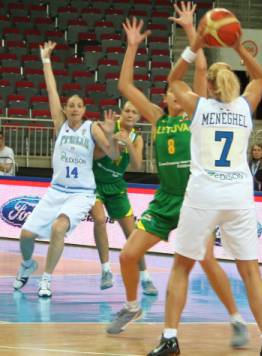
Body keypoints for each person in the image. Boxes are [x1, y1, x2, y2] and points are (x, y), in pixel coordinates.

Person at [107, 8, 249, 349]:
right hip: (167, 198)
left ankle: (236, 319)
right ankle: (131, 306)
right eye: (172, 90)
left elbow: (200, 67)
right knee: (127, 255)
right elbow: (124, 85)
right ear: (166, 98)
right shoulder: (157, 118)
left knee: (208, 261)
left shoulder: (197, 113)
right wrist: (131, 46)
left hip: (195, 200)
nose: (176, 91)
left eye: (179, 89)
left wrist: (190, 30)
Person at [147, 14, 262, 356]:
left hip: (204, 194)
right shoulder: (245, 106)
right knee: (251, 271)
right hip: (238, 195)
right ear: (233, 85)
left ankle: (169, 339)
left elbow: (173, 79)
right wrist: (238, 46)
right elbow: (260, 76)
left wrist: (194, 45)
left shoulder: (197, 107)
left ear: (208, 86)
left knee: (181, 266)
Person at [13, 41, 119, 298]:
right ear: (65, 109)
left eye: (78, 106)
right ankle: (28, 264)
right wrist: (46, 60)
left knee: (58, 228)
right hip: (56, 190)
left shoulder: (91, 127)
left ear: (84, 110)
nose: (73, 108)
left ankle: (46, 279)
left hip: (80, 193)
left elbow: (114, 155)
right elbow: (51, 92)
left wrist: (112, 133)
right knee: (26, 235)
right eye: (70, 105)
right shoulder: (60, 125)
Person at [91, 101, 158, 295]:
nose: (130, 114)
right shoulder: (109, 126)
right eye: (127, 111)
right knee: (99, 219)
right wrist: (111, 141)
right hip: (95, 182)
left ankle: (145, 277)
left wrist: (127, 143)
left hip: (117, 185)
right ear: (121, 113)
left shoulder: (137, 138)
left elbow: (137, 165)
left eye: (134, 112)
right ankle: (105, 271)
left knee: (133, 234)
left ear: (138, 118)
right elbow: (94, 155)